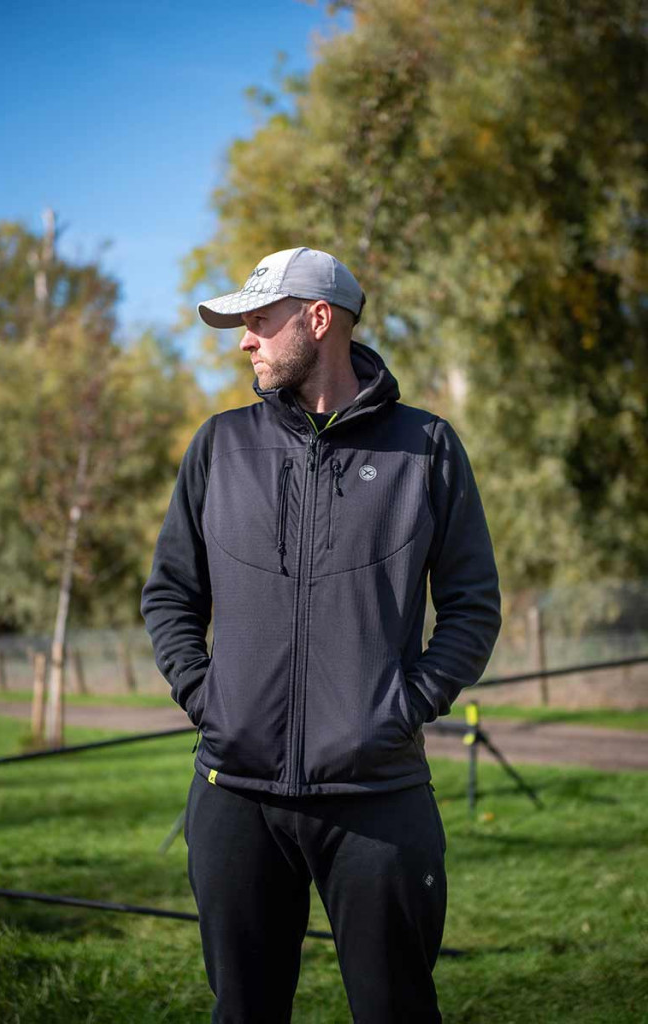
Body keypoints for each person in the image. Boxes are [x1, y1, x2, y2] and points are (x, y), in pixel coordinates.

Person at [141, 246, 501, 1023]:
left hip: (378, 798)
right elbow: (170, 593)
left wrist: (402, 708)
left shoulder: (427, 447)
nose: (245, 340)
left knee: (396, 1010)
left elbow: (473, 605)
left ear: (318, 318)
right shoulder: (219, 446)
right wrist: (208, 699)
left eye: (259, 321)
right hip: (234, 795)